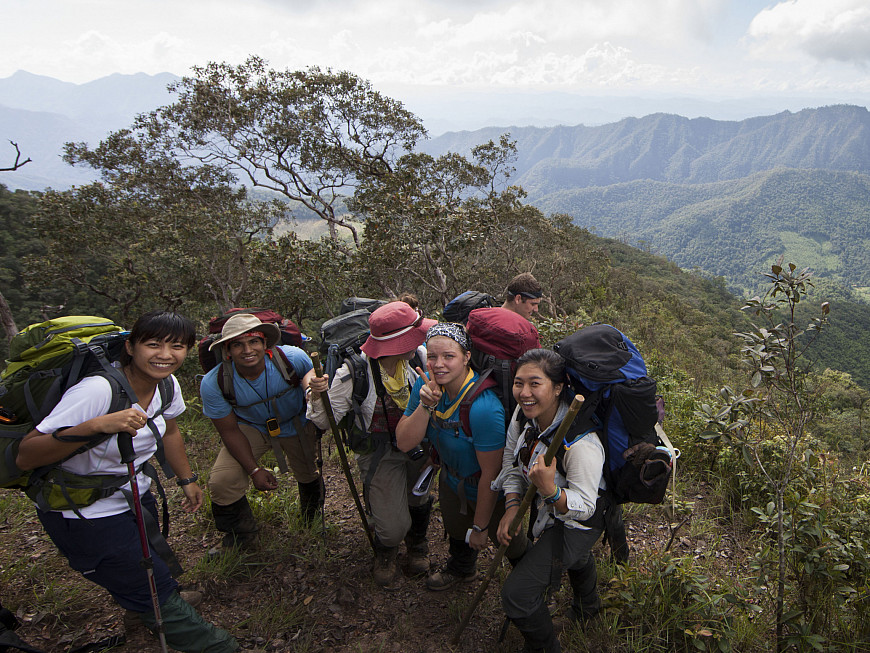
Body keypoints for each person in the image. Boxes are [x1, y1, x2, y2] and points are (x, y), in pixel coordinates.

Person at [16, 311, 238, 653]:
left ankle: (141, 612)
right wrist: (95, 426)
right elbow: (26, 455)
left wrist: (187, 479)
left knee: (146, 562)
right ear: (131, 347)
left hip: (133, 491)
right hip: (83, 509)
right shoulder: (97, 390)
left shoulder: (166, 384)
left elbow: (170, 430)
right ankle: (212, 644)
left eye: (177, 346)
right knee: (148, 584)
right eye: (154, 344)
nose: (165, 355)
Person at [307, 300, 437, 586]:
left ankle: (417, 543)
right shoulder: (354, 372)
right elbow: (323, 421)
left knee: (418, 496)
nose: (420, 340)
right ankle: (387, 545)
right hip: (380, 451)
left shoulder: (418, 357)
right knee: (392, 527)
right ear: (396, 342)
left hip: (418, 444)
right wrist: (317, 395)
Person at [396, 323, 528, 591]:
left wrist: (480, 527)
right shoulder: (426, 384)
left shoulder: (483, 407)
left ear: (467, 356)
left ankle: (533, 585)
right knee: (456, 530)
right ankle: (462, 569)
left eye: (449, 356)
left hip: (489, 488)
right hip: (451, 479)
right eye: (432, 356)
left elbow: (491, 474)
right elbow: (404, 442)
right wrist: (425, 406)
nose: (438, 364)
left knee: (510, 543)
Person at [496, 349, 606, 653]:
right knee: (575, 558)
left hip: (579, 522)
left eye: (535, 384)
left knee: (516, 595)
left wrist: (551, 492)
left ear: (558, 388)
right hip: (548, 514)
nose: (524, 393)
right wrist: (512, 505)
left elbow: (585, 507)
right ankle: (588, 607)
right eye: (519, 383)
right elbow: (511, 461)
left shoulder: (581, 442)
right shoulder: (524, 416)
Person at [200, 313, 320, 554]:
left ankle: (312, 520)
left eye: (253, 341)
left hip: (295, 421)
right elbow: (229, 431)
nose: (247, 350)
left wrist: (311, 389)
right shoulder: (214, 383)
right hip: (250, 427)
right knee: (223, 480)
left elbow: (309, 374)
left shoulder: (291, 357)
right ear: (227, 350)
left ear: (265, 343)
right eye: (237, 344)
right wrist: (254, 470)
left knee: (308, 472)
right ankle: (241, 537)